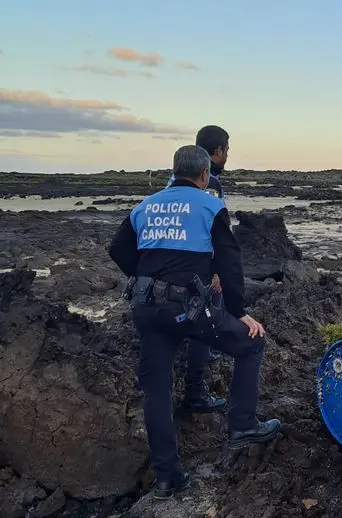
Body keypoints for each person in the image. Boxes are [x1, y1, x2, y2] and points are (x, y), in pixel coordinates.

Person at [108, 145, 280, 499]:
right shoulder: (210, 205)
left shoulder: (146, 205)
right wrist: (239, 311)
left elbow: (117, 249)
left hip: (146, 308)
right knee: (251, 344)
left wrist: (144, 276)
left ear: (174, 171)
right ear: (204, 175)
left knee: (156, 390)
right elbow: (230, 261)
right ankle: (244, 425)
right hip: (185, 307)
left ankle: (168, 478)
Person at [166, 126, 231, 399]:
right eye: (227, 150)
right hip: (197, 268)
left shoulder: (174, 180)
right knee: (204, 319)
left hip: (169, 265)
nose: (227, 156)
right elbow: (211, 229)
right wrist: (218, 271)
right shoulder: (209, 184)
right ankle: (195, 391)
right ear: (217, 152)